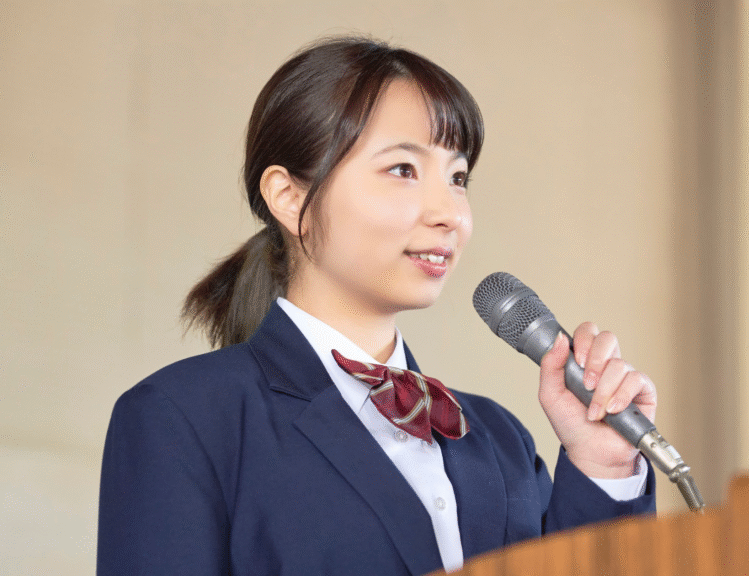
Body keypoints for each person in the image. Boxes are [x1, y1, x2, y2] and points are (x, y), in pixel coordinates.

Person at [97, 36, 657, 575]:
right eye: (403, 170)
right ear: (290, 198)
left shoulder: (500, 439)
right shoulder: (182, 417)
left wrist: (602, 467)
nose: (451, 215)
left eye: (458, 177)